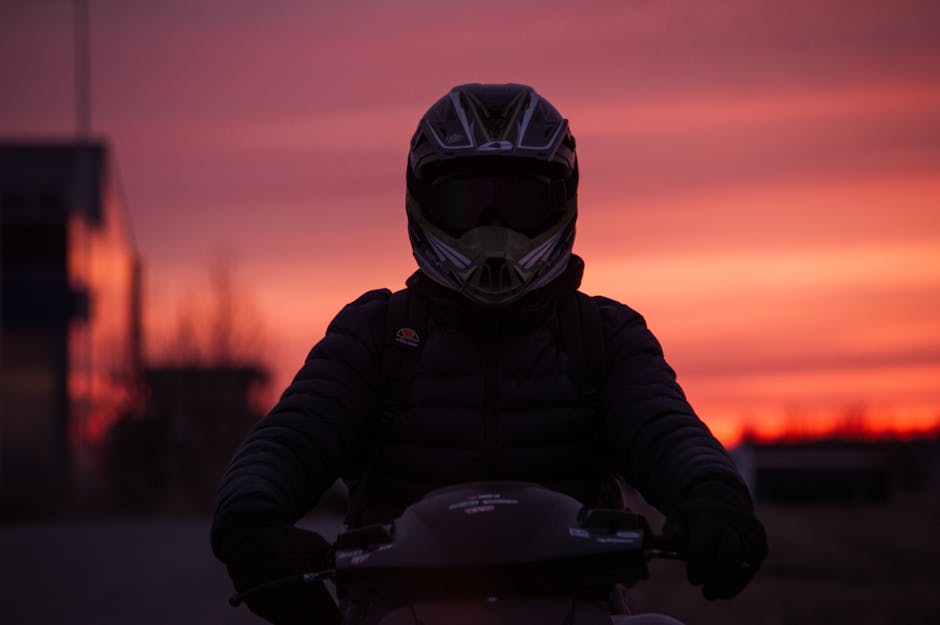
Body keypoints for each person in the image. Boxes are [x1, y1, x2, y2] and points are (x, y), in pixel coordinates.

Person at [211, 83, 768, 625]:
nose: (493, 230)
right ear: (421, 201)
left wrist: (712, 497)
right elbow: (294, 432)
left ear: (564, 201)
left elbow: (664, 426)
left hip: (581, 605)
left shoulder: (602, 333)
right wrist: (251, 520)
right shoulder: (376, 333)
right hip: (394, 609)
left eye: (519, 203)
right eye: (469, 203)